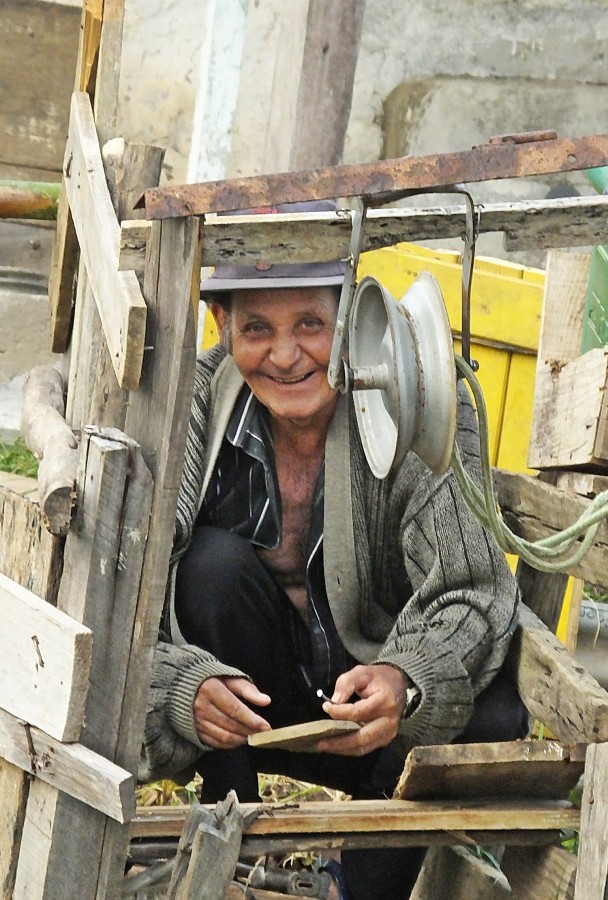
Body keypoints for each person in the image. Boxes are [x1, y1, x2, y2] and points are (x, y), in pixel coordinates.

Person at [141, 201, 527, 900]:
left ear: (351, 320)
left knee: (496, 712)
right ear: (223, 328)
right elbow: (126, 597)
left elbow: (472, 588)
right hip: (258, 714)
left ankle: (370, 883)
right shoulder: (192, 403)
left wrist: (405, 680)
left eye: (310, 325)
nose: (285, 356)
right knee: (210, 570)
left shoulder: (421, 403)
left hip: (377, 718)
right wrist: (183, 686)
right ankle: (233, 850)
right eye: (257, 328)